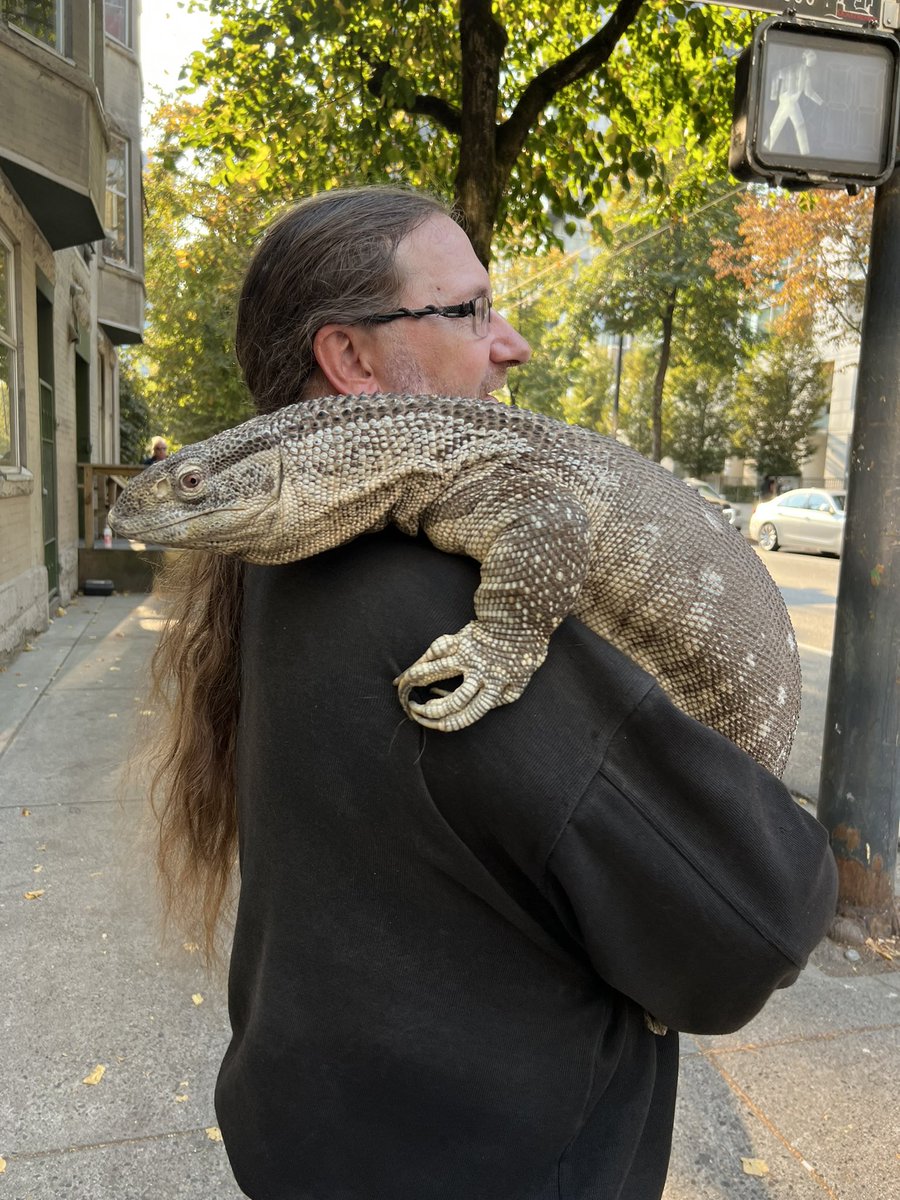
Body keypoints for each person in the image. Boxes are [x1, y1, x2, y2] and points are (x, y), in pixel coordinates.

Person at [146, 185, 837, 1200]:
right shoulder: (437, 605)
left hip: (320, 1137)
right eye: (466, 311)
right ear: (351, 359)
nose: (507, 343)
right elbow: (752, 929)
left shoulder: (284, 569)